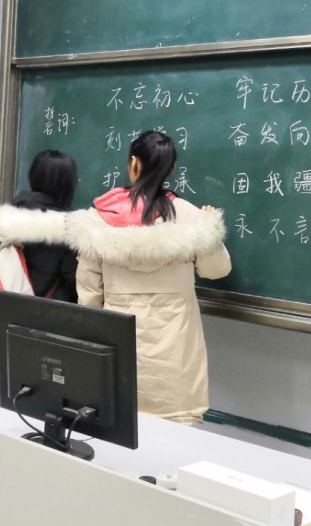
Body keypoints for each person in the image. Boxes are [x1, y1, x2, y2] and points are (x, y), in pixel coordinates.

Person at [66, 130, 230, 424]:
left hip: (121, 351)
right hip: (176, 358)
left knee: (120, 434)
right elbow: (216, 270)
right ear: (172, 168)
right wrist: (210, 227)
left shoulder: (99, 220)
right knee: (175, 440)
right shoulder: (190, 217)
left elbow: (89, 296)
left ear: (134, 163)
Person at [0, 149, 79, 302]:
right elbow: (75, 284)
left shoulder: (4, 219)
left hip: (2, 306)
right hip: (42, 311)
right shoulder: (65, 230)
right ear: (66, 185)